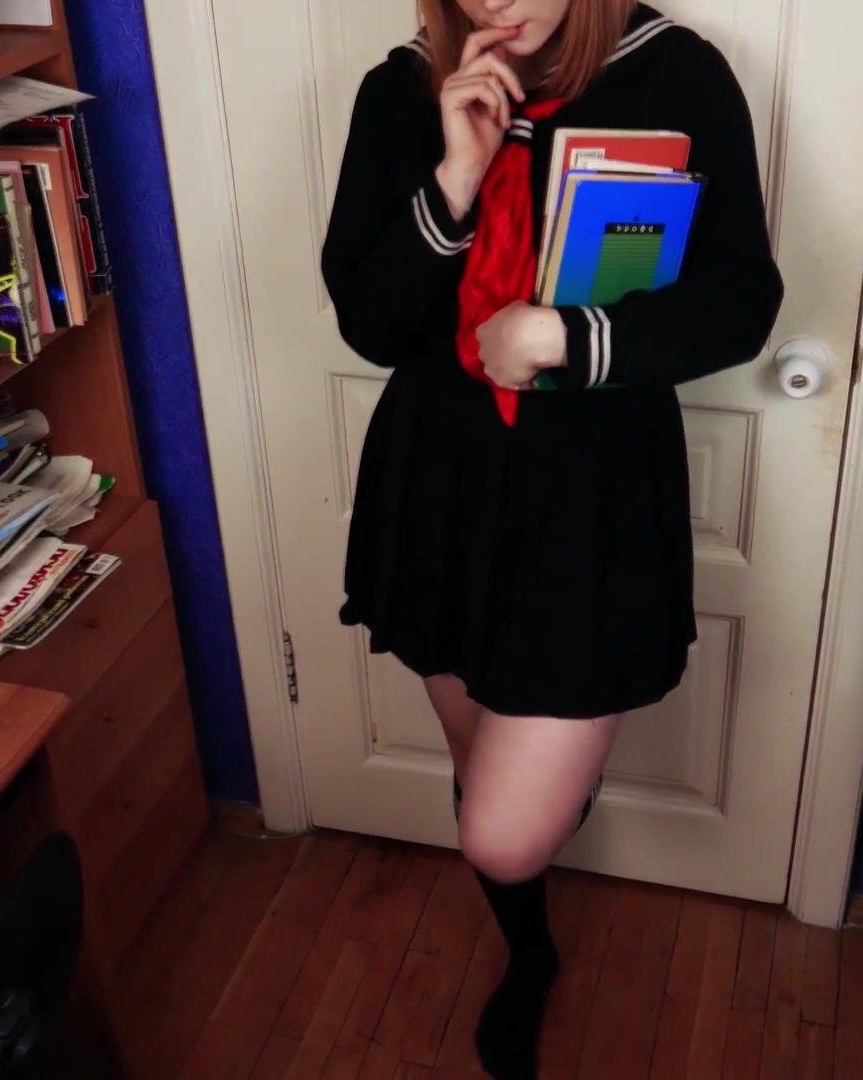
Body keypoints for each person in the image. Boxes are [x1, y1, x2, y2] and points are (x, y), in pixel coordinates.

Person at [320, 1, 782, 1074]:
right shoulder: (402, 90)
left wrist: (568, 336)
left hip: (591, 494)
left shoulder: (675, 77)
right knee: (478, 761)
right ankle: (528, 950)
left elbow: (740, 299)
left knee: (504, 827)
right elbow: (372, 323)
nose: (492, 1)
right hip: (439, 481)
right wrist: (456, 179)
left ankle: (528, 861)